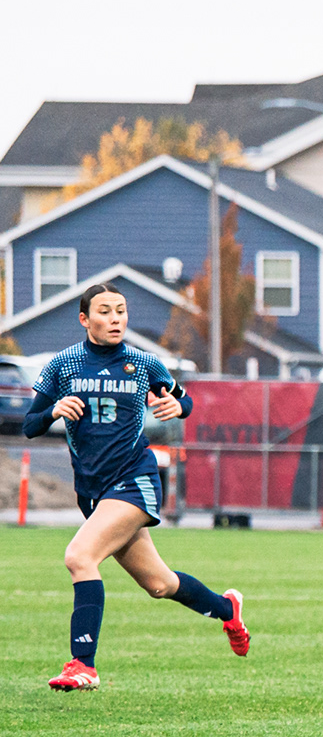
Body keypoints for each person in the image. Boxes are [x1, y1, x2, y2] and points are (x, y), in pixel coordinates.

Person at [23, 284, 251, 690]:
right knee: (159, 584)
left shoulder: (142, 363)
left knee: (79, 557)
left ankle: (83, 664)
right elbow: (29, 424)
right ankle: (227, 609)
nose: (115, 319)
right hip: (93, 492)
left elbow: (186, 401)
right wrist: (53, 411)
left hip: (133, 481)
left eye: (121, 311)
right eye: (105, 311)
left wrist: (179, 406)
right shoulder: (65, 364)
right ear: (84, 319)